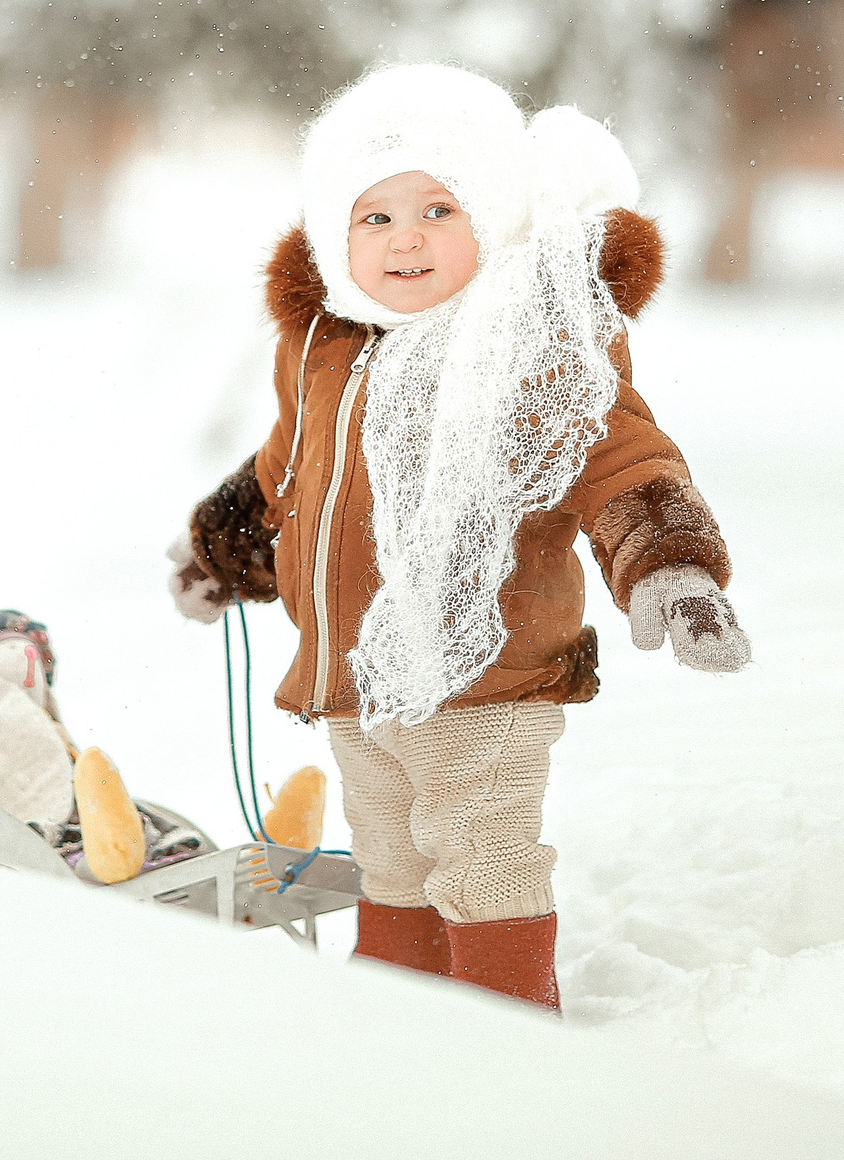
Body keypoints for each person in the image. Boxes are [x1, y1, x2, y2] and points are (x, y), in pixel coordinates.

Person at [167, 64, 749, 1012]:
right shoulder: (321, 343)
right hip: (359, 679)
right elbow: (291, 467)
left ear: (495, 212)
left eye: (439, 210)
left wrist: (669, 568)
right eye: (375, 216)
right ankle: (401, 1015)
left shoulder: (534, 338)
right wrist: (224, 550)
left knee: (483, 859)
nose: (406, 239)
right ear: (333, 231)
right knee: (391, 861)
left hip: (487, 675)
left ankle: (507, 1027)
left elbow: (617, 458)